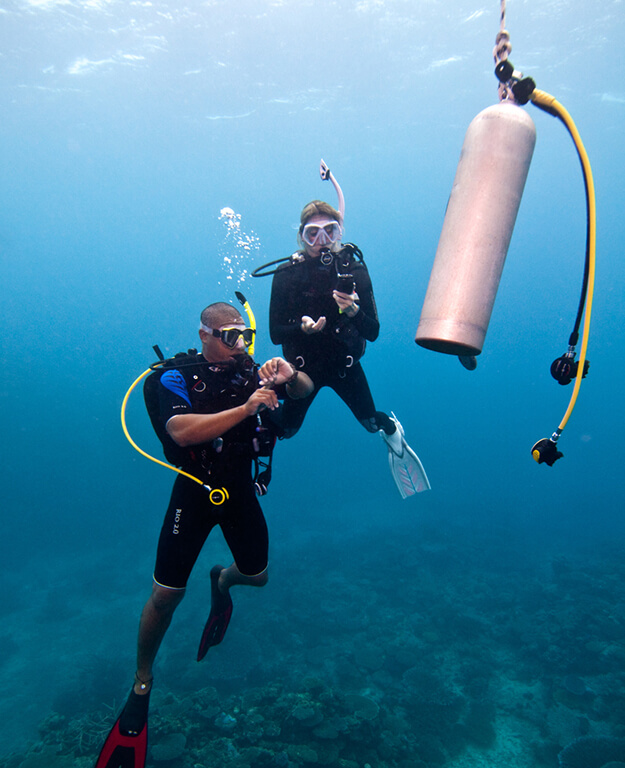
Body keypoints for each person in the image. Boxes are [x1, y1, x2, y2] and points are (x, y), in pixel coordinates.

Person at [96, 300, 312, 768]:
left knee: (258, 576)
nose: (242, 347)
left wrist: (289, 374)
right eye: (233, 336)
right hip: (195, 491)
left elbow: (304, 390)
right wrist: (247, 406)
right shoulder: (172, 376)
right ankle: (142, 681)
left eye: (247, 337)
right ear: (205, 335)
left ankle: (223, 580)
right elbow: (181, 431)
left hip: (238, 489)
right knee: (165, 596)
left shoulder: (251, 371)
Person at [268, 199, 430, 499]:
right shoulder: (286, 274)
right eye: (312, 233)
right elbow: (276, 334)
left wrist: (354, 311)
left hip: (344, 365)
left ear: (340, 231)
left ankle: (392, 430)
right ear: (301, 236)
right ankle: (249, 427)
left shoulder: (355, 271)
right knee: (286, 430)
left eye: (330, 231)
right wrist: (301, 328)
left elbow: (374, 332)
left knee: (371, 424)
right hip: (302, 371)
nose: (322, 241)